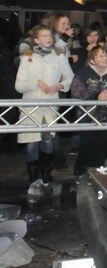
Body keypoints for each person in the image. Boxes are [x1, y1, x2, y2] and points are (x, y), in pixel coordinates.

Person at [15, 25, 73, 184]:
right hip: (30, 105)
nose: (49, 38)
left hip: (50, 103)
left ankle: (46, 172)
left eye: (50, 35)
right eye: (45, 35)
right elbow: (18, 86)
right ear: (36, 40)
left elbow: (70, 77)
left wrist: (59, 86)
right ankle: (33, 176)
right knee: (31, 143)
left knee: (48, 140)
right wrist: (36, 83)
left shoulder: (59, 56)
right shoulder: (27, 57)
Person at [70, 45, 107, 175]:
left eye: (106, 55)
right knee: (86, 145)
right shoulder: (84, 73)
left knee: (102, 145)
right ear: (92, 60)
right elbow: (76, 91)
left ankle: (97, 173)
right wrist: (95, 95)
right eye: (101, 56)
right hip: (87, 115)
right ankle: (81, 172)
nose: (105, 59)